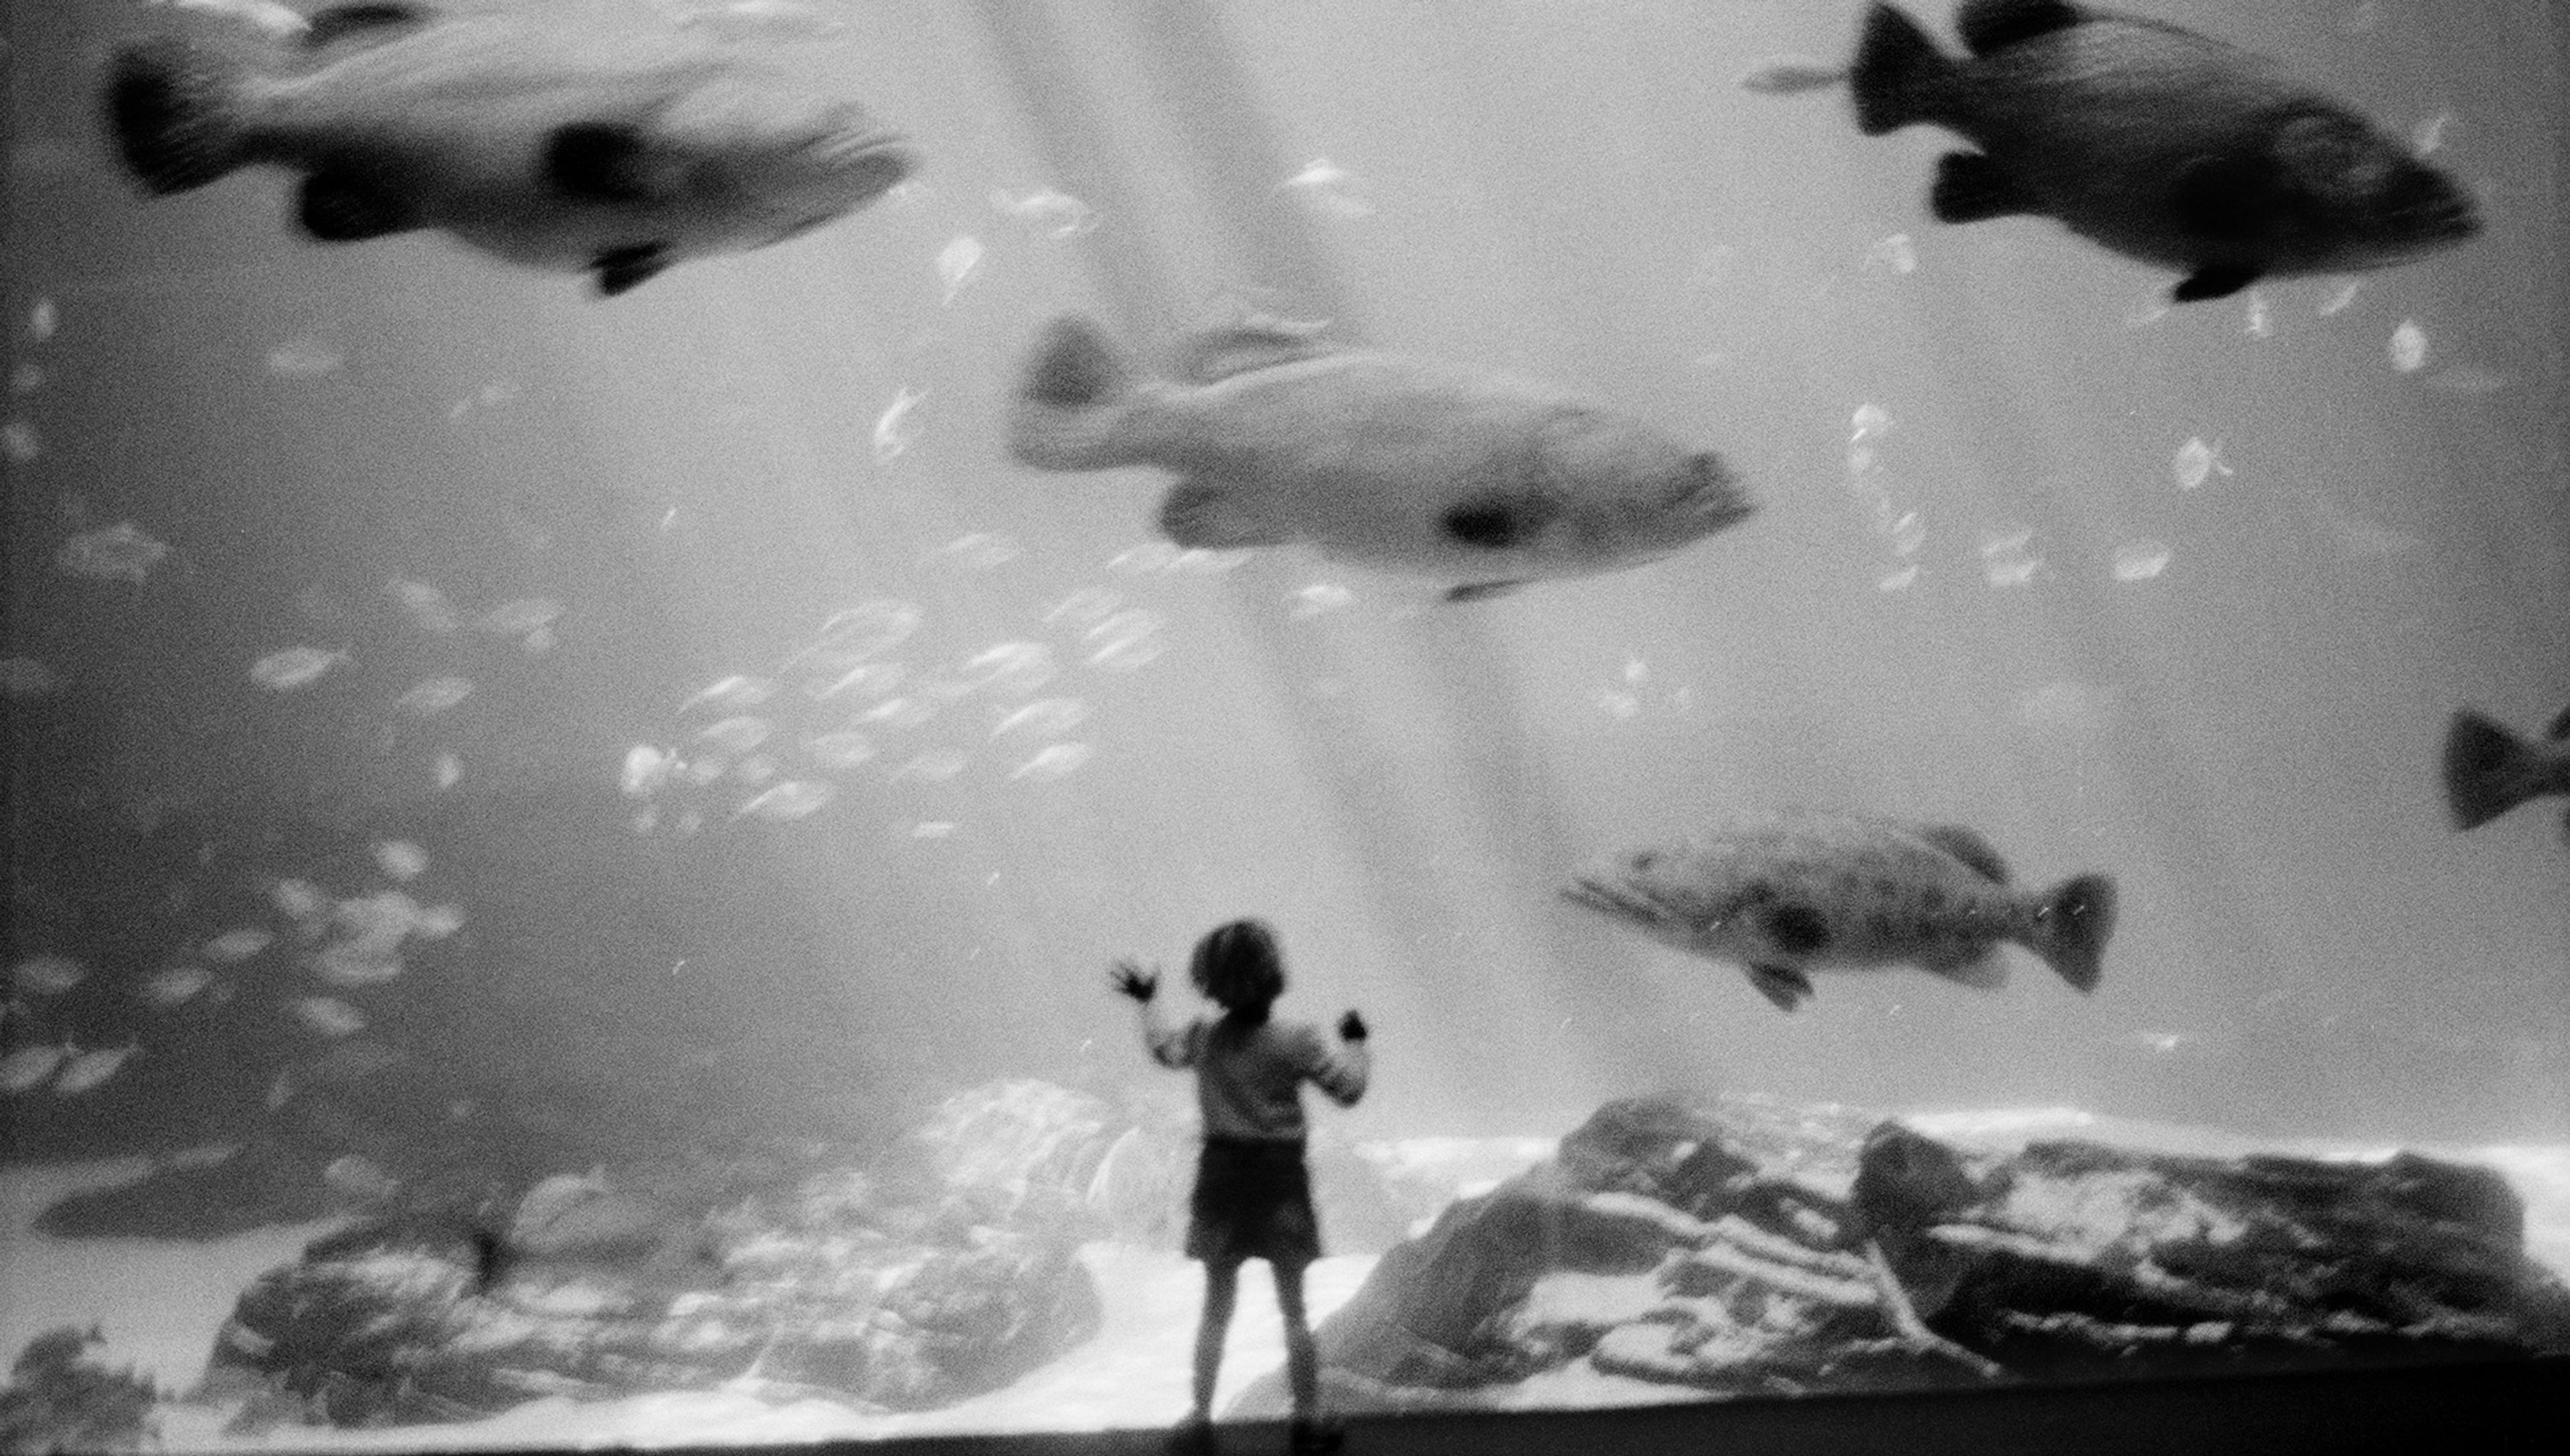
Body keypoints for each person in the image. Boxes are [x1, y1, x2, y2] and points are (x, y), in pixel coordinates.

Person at [1113, 918, 1370, 1455]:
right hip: (1280, 1183)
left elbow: (1163, 1048)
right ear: (1274, 975)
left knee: (1216, 1306)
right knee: (1294, 1309)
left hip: (1222, 1182)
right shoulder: (1298, 1040)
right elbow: (1347, 1091)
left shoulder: (1206, 1038)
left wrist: (1147, 1000)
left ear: (1209, 981)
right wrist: (1356, 1045)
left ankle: (1199, 1416)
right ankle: (1307, 1417)